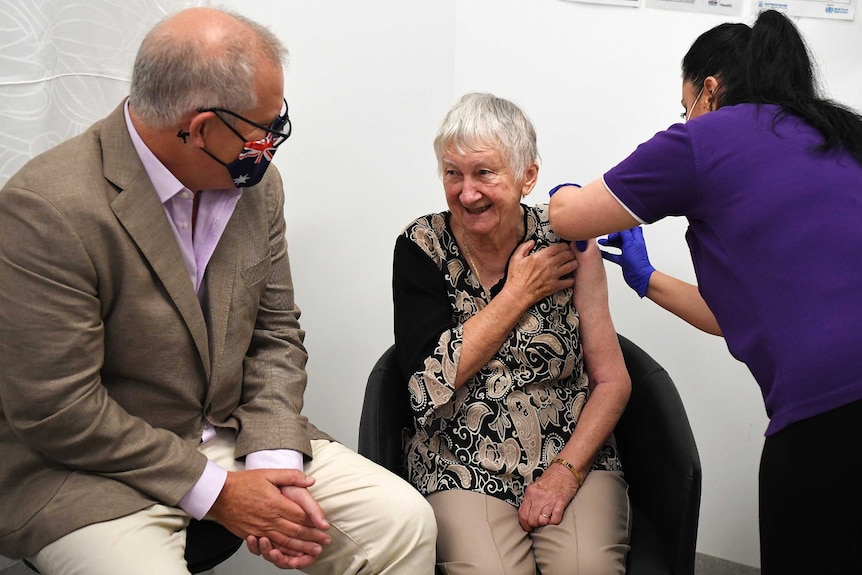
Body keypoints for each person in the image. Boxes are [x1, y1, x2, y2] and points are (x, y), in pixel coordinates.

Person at [0, 7, 436, 575]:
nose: (274, 143)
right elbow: (61, 411)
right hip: (92, 469)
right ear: (203, 127)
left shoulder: (256, 185)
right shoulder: (47, 208)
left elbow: (275, 333)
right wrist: (221, 494)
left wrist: (272, 462)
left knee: (401, 522)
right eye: (265, 128)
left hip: (231, 431)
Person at [548, 10, 862, 574]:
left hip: (829, 422)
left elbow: (570, 217)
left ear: (708, 91)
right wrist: (646, 280)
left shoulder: (706, 137)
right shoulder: (838, 134)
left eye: (685, 103)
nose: (686, 116)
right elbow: (735, 316)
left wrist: (563, 194)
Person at [393, 92, 631, 575]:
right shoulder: (422, 246)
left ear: (528, 176)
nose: (466, 192)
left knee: (588, 571)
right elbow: (424, 384)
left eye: (484, 172)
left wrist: (566, 473)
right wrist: (517, 293)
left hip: (571, 452)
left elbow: (612, 381)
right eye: (452, 173)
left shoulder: (569, 238)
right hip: (460, 461)